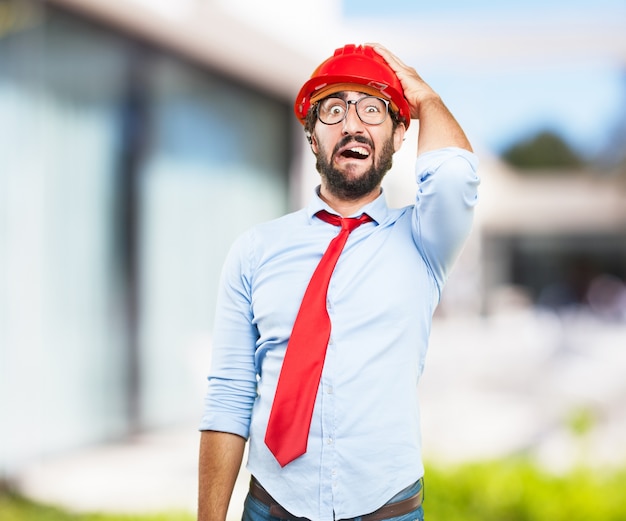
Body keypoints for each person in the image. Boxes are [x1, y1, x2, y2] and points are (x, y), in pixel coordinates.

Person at [198, 43, 479, 521]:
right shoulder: (255, 250)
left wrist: (426, 99)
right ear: (311, 137)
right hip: (272, 508)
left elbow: (454, 177)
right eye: (333, 110)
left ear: (398, 133)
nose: (352, 124)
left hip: (387, 510)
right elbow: (229, 393)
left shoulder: (425, 242)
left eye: (372, 109)